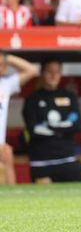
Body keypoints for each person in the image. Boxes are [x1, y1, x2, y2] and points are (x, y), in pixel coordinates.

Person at [22, 57, 81, 183]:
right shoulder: (32, 99)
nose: (53, 76)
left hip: (67, 159)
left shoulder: (69, 96)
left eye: (57, 72)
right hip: (41, 163)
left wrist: (50, 127)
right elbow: (33, 129)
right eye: (50, 71)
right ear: (42, 73)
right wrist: (62, 129)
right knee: (41, 200)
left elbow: (77, 125)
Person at [0, 52, 38, 185]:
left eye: (3, 64)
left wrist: (7, 58)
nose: (2, 67)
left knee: (6, 155)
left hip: (1, 146)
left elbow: (32, 70)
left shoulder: (5, 84)